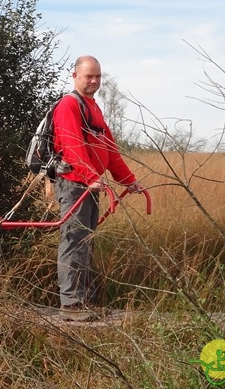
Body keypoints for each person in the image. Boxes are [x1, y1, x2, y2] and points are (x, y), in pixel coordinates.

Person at [53, 55, 144, 322]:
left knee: (86, 243)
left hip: (90, 185)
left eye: (98, 77)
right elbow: (72, 148)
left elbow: (110, 151)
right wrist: (90, 176)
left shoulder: (93, 107)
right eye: (88, 76)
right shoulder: (69, 105)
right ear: (75, 76)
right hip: (74, 184)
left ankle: (84, 300)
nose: (94, 81)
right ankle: (70, 304)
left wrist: (129, 180)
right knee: (73, 241)